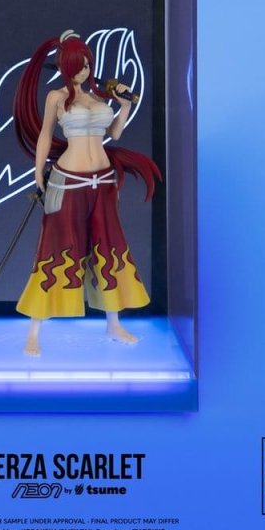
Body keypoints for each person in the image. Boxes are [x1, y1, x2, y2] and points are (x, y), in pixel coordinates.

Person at [13, 30, 161, 355]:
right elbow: (44, 136)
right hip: (68, 182)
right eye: (77, 65)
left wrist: (124, 107)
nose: (84, 70)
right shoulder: (56, 97)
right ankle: (34, 330)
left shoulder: (99, 98)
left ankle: (113, 323)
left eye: (87, 65)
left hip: (103, 183)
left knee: (109, 249)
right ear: (65, 66)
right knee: (55, 251)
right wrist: (38, 172)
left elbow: (114, 134)